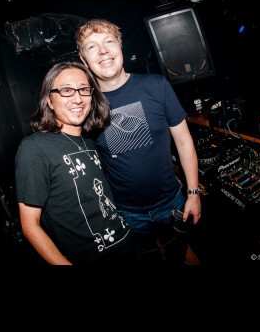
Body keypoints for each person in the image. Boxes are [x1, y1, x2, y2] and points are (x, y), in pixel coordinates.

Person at [76, 18, 201, 267]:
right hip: (127, 212)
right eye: (92, 46)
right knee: (146, 259)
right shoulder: (84, 106)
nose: (103, 51)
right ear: (83, 59)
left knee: (177, 254)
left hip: (172, 201)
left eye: (109, 42)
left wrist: (194, 193)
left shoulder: (157, 85)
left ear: (120, 47)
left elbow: (184, 142)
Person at [15, 61, 136, 266]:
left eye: (84, 90)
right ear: (49, 100)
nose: (78, 98)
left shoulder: (89, 141)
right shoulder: (34, 148)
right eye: (66, 90)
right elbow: (30, 226)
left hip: (128, 248)